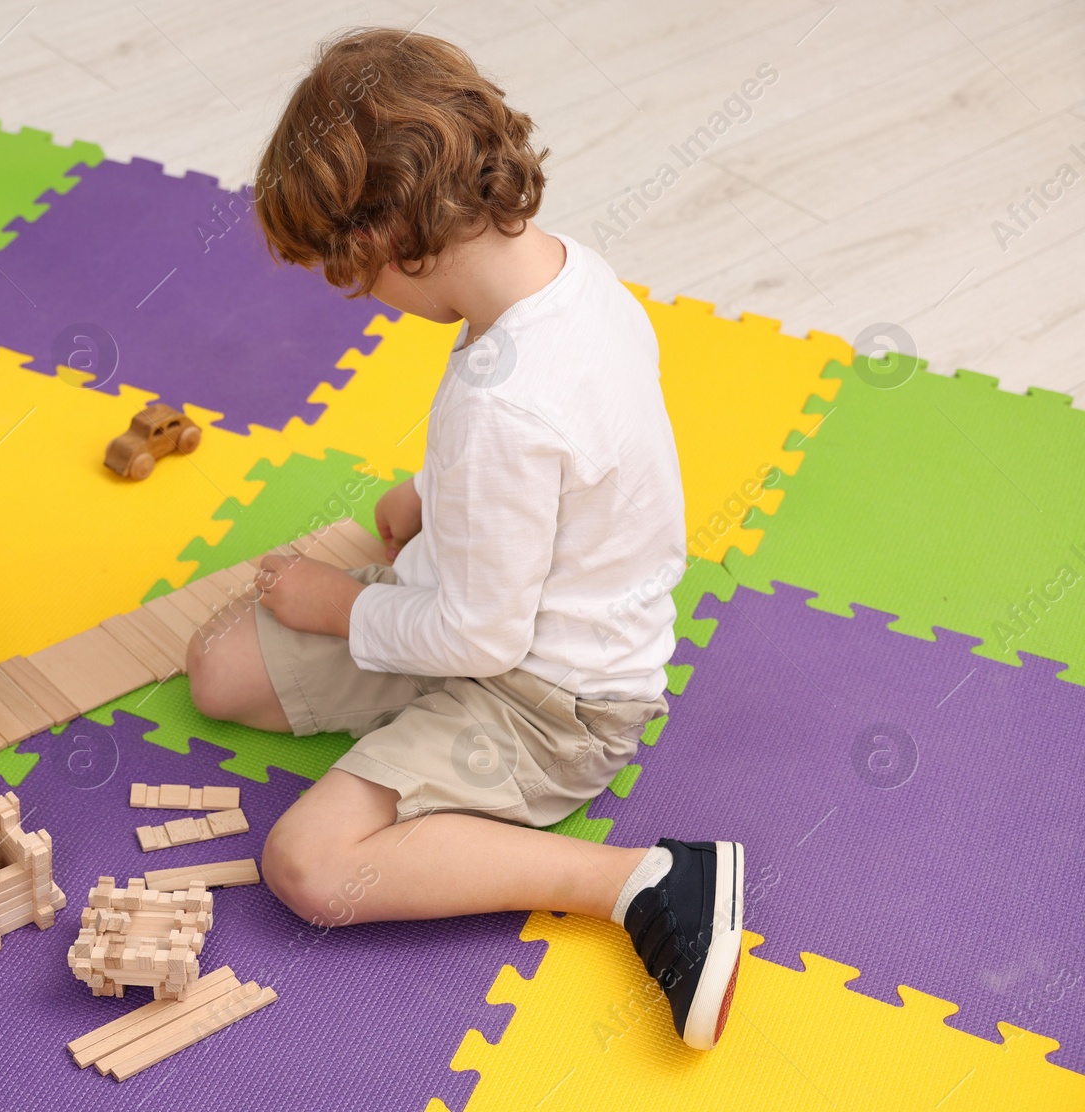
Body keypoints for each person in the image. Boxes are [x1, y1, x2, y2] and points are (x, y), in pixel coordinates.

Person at [184, 27, 742, 1051]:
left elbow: (483, 637)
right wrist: (431, 497)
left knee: (307, 864)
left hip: (551, 702)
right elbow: (571, 470)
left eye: (353, 279)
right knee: (219, 671)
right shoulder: (573, 272)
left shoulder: (502, 407)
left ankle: (641, 878)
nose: (367, 304)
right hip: (481, 620)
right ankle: (414, 741)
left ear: (396, 245)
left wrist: (340, 604)